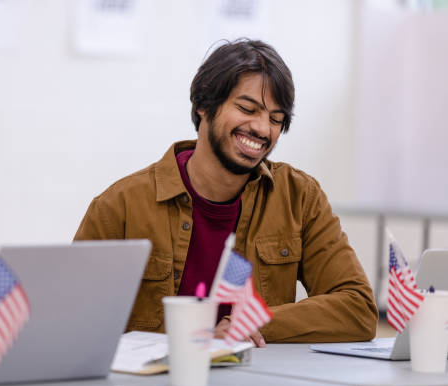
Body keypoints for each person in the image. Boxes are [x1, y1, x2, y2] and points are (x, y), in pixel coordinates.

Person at [74, 39, 378, 346]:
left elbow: (358, 308)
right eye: (247, 109)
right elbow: (73, 320)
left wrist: (252, 323)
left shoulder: (299, 197)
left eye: (276, 119)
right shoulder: (120, 206)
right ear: (204, 105)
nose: (262, 129)